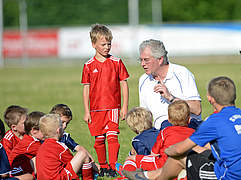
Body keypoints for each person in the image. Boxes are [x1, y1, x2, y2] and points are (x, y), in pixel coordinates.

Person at [123, 76, 241, 180]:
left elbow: (179, 149)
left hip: (229, 176)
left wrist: (167, 150)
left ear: (210, 99)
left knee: (178, 156)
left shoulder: (215, 120)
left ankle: (148, 177)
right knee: (195, 154)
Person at [81, 23, 129, 177]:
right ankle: (103, 166)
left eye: (109, 43)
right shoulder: (88, 65)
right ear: (93, 44)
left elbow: (124, 84)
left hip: (113, 107)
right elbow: (86, 88)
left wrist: (124, 107)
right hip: (95, 110)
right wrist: (87, 111)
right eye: (103, 44)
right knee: (99, 140)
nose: (107, 47)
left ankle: (114, 166)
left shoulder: (116, 62)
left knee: (113, 137)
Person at [138, 39, 202, 130]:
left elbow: (197, 109)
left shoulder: (182, 73)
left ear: (160, 59)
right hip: (161, 133)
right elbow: (144, 116)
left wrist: (171, 98)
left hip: (186, 129)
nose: (142, 64)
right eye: (141, 60)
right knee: (138, 141)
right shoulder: (143, 80)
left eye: (146, 60)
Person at [122, 100, 195, 176]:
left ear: (169, 119)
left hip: (163, 164)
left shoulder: (164, 132)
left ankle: (126, 176)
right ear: (189, 119)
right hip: (187, 164)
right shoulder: (194, 133)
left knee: (130, 159)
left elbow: (154, 154)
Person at [36, 114, 94, 180]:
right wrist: (92, 166)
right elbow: (71, 161)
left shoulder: (41, 147)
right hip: (58, 178)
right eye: (61, 126)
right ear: (58, 130)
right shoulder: (59, 146)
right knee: (83, 154)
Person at [9, 111, 45, 177]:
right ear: (34, 131)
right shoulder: (32, 144)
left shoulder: (29, 138)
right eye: (44, 130)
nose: (47, 132)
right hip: (16, 172)